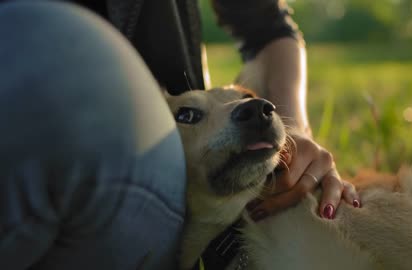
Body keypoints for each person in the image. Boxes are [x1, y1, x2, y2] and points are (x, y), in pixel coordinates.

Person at [0, 1, 360, 269]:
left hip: (151, 183)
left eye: (249, 104)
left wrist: (296, 135)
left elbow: (265, 26)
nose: (254, 111)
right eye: (188, 114)